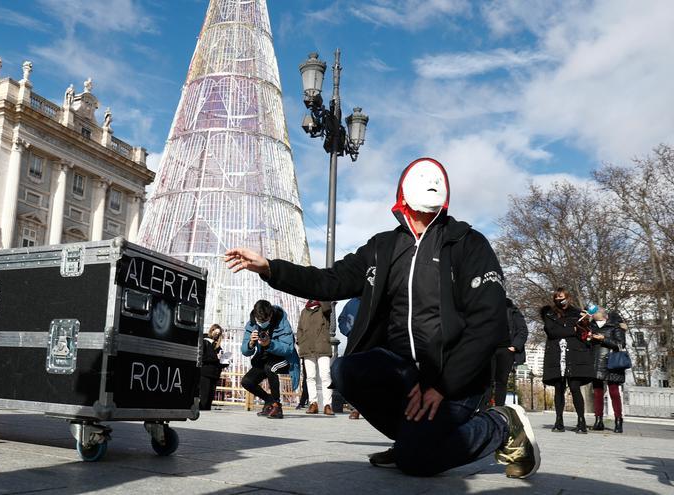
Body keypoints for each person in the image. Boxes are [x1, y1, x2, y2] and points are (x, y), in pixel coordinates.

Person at [225, 157, 539, 479]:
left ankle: (502, 425)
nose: (423, 219)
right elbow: (330, 281)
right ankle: (409, 438)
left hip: (454, 378)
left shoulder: (468, 244)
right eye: (420, 213)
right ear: (403, 204)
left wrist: (442, 386)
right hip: (403, 370)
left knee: (418, 461)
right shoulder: (383, 247)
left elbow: (489, 322)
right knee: (346, 370)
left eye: (428, 214)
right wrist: (270, 268)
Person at [541, 288, 594, 434]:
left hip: (575, 354)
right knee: (559, 388)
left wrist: (583, 324)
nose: (560, 300)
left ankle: (581, 421)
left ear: (568, 298)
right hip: (556, 353)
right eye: (557, 298)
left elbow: (584, 333)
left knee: (575, 387)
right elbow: (552, 332)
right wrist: (573, 330)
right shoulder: (549, 314)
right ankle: (559, 421)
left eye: (562, 298)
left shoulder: (578, 313)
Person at [240, 300, 300, 419]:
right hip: (264, 359)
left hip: (285, 358)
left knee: (270, 368)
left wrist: (269, 344)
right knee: (247, 381)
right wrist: (251, 343)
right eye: (260, 321)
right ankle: (270, 402)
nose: (262, 323)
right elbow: (245, 351)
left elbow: (288, 348)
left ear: (271, 315)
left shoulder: (282, 322)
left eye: (265, 321)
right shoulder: (251, 324)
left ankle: (277, 407)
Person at [588, 307, 627, 433]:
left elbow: (621, 344)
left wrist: (603, 339)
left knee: (614, 392)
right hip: (596, 362)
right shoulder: (591, 326)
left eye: (594, 313)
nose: (592, 315)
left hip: (612, 362)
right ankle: (598, 421)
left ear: (602, 314)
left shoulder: (615, 326)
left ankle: (618, 421)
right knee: (598, 392)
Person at [487, 298, 529, 408]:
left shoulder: (513, 310)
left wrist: (514, 347)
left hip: (506, 350)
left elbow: (523, 330)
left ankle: (499, 409)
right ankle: (484, 408)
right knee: (487, 381)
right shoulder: (487, 309)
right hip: (489, 349)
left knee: (501, 381)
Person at [296, 300, 334, 415]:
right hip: (307, 347)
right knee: (310, 377)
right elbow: (300, 328)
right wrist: (300, 341)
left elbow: (328, 308)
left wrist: (321, 295)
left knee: (325, 375)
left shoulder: (324, 308)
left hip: (322, 346)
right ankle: (313, 403)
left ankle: (328, 404)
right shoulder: (304, 311)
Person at [338, 298, 362, 419]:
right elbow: (341, 319)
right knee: (353, 375)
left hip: (372, 342)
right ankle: (355, 408)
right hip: (353, 343)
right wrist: (349, 332)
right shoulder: (351, 303)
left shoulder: (375, 297)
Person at [199, 324, 226, 410]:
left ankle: (207, 414)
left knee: (210, 398)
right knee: (204, 397)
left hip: (214, 374)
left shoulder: (218, 346)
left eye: (218, 333)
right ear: (212, 330)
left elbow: (218, 362)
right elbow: (202, 358)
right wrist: (215, 358)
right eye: (215, 332)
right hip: (205, 373)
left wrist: (225, 362)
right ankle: (202, 413)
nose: (216, 334)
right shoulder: (204, 342)